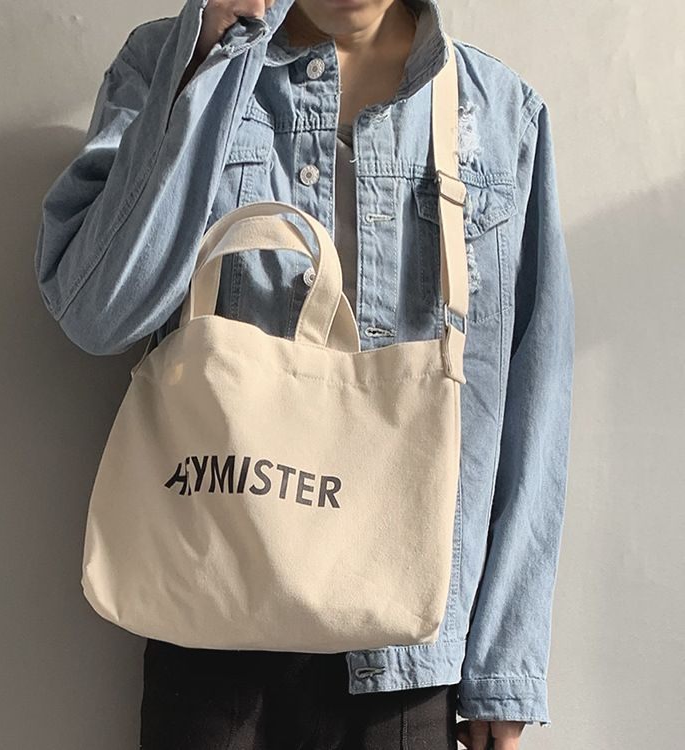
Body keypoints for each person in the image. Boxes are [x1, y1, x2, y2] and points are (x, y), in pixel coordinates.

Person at [34, 0, 575, 748]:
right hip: (210, 612)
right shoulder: (176, 60)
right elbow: (97, 310)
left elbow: (529, 398)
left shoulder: (499, 113)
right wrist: (204, 66)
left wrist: (503, 665)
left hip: (406, 652)